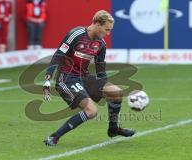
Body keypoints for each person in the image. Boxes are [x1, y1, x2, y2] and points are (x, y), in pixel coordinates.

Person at [42, 10, 135, 146]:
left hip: (84, 77)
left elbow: (101, 71)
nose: (108, 34)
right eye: (106, 30)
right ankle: (54, 137)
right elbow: (58, 55)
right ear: (97, 24)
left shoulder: (101, 44)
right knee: (91, 111)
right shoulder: (76, 34)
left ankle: (113, 129)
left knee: (116, 92)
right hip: (67, 79)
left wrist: (104, 88)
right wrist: (47, 80)